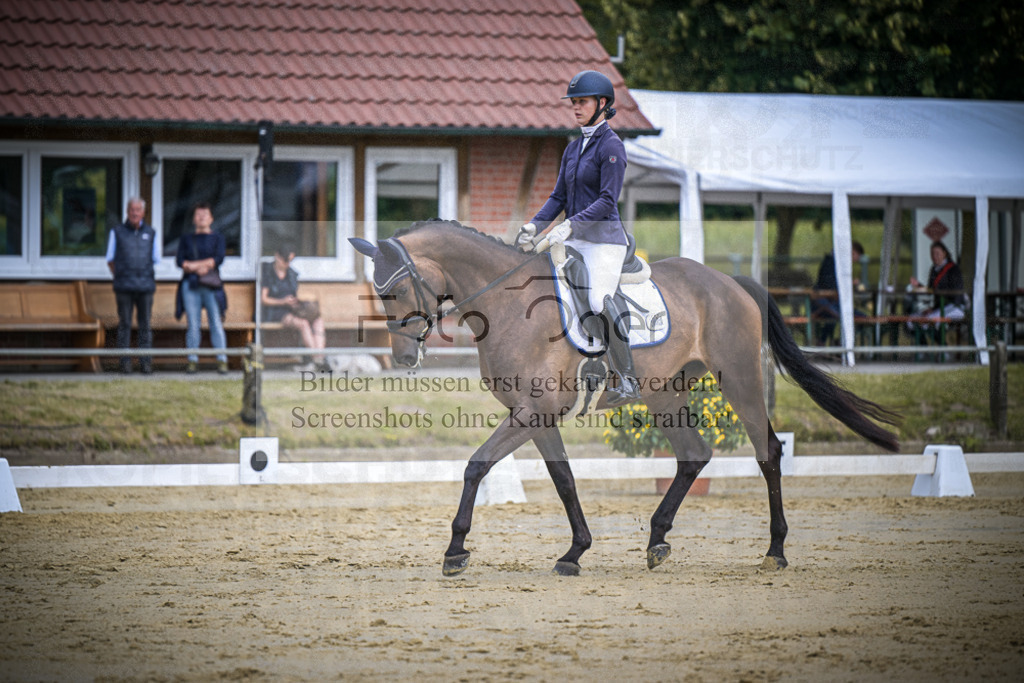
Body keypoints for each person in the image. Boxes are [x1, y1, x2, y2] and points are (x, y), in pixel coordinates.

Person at [516, 70, 640, 405]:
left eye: (582, 101)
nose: (575, 107)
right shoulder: (572, 149)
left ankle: (627, 379)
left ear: (602, 103)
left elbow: (607, 200)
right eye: (573, 102)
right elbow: (558, 196)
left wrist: (571, 225)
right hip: (572, 238)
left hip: (604, 240)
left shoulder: (612, 147)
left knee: (598, 300)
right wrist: (534, 226)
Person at [106, 197, 160, 373]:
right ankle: (125, 363)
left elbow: (155, 259)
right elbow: (110, 259)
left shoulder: (151, 233)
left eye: (138, 210)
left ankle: (146, 363)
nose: (135, 213)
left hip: (145, 287)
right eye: (132, 210)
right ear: (127, 212)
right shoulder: (117, 232)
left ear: (143, 212)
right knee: (125, 324)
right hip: (124, 287)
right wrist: (121, 276)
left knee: (145, 325)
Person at [175, 203, 228, 374]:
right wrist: (202, 266)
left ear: (211, 218)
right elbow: (180, 261)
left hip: (211, 286)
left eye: (205, 214)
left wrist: (194, 266)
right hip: (190, 285)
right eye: (198, 214)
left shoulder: (218, 238)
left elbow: (218, 259)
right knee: (193, 324)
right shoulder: (186, 239)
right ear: (193, 219)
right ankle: (192, 360)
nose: (202, 217)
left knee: (216, 322)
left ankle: (222, 360)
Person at [261, 243, 327, 371]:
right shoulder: (267, 273)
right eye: (286, 260)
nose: (288, 264)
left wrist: (298, 302)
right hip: (274, 311)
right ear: (277, 256)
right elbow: (263, 299)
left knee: (318, 321)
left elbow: (295, 294)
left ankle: (320, 358)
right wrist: (283, 302)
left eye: (290, 261)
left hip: (292, 309)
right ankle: (316, 359)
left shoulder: (291, 274)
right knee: (303, 324)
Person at [906, 241, 968, 342]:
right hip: (939, 307)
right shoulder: (934, 269)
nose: (935, 256)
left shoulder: (953, 269)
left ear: (944, 253)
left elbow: (953, 294)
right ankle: (923, 348)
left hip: (955, 306)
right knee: (911, 319)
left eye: (937, 253)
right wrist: (918, 285)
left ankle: (943, 348)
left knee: (928, 321)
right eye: (932, 254)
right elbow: (931, 290)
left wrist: (935, 308)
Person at [810, 241, 866, 345]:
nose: (855, 260)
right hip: (823, 302)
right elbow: (829, 285)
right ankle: (824, 341)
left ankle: (840, 341)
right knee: (835, 314)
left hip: (832, 303)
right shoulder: (830, 263)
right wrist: (849, 284)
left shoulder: (839, 266)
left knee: (862, 318)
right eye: (856, 256)